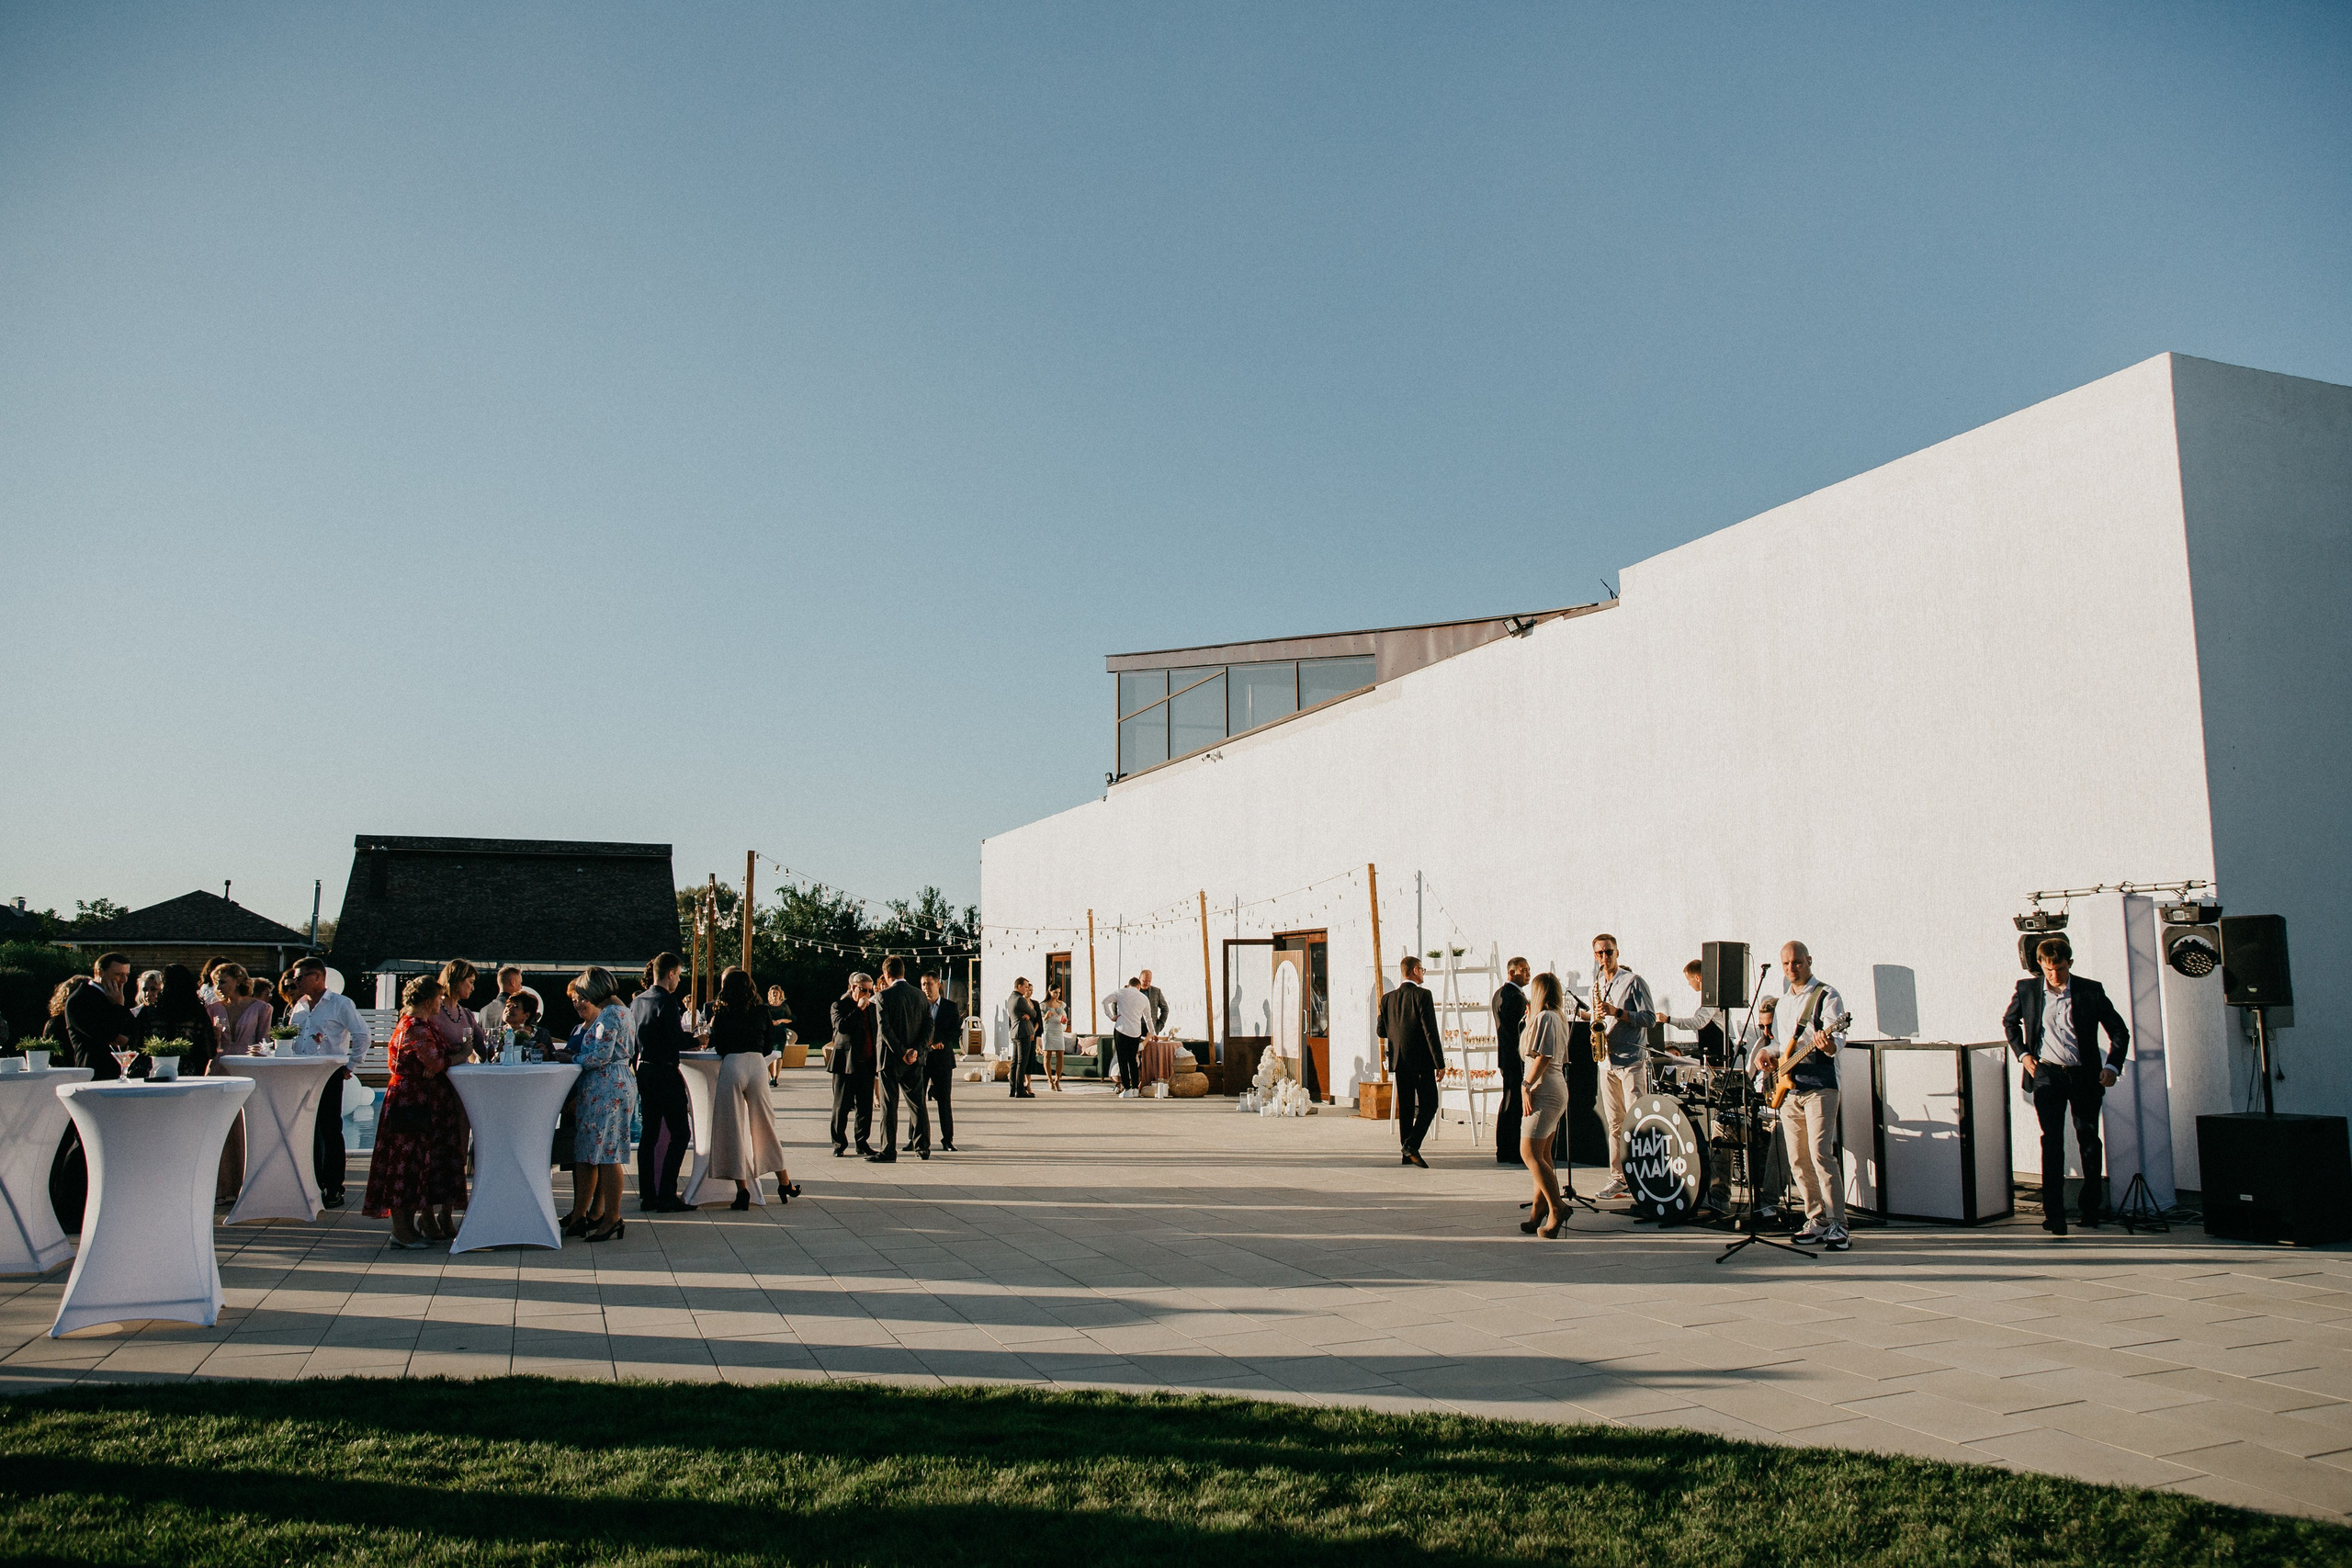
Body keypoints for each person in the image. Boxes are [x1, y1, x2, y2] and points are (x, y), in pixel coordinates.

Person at [2002, 935, 2130, 1236]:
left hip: (2084, 1075)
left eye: (2059, 969)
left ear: (2069, 964)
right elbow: (2010, 1023)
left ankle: (2090, 1209)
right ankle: (2054, 1215)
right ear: (2040, 967)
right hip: (2047, 1074)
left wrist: (2112, 1066)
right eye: (2048, 970)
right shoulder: (2027, 989)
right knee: (2052, 1142)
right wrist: (2023, 1055)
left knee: (2088, 1140)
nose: (2054, 976)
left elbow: (2119, 1030)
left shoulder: (2090, 990)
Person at [1751, 941, 1850, 1251]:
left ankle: (1839, 1223)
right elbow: (1781, 1046)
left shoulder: (1826, 995)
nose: (1792, 968)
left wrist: (1827, 1043)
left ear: (1808, 961)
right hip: (1791, 1088)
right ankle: (1816, 1217)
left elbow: (1838, 1041)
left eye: (1797, 962)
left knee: (1821, 1153)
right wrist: (1766, 1054)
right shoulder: (1782, 1003)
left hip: (1820, 1085)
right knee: (1797, 1157)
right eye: (1786, 964)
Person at [363, 976, 464, 1248]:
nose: (441, 1003)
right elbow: (435, 1061)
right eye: (440, 998)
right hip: (412, 1104)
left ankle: (411, 1226)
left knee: (417, 1164)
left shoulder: (421, 1025)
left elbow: (435, 1061)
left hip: (421, 1103)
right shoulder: (415, 1027)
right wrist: (458, 1056)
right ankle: (401, 1230)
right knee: (405, 1165)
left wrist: (441, 1062)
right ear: (430, 1000)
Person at [287, 955, 372, 1208]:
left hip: (328, 1072)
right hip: (301, 1073)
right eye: (295, 977)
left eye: (301, 977)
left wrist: (350, 1065)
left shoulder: (339, 1003)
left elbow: (362, 1034)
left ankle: (334, 1187)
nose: (296, 981)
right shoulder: (299, 1006)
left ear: (318, 977)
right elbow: (293, 1037)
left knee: (329, 1129)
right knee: (307, 1129)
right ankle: (312, 1182)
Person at [1577, 935, 1657, 1201]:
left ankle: (1644, 1177)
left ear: (1617, 952)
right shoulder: (1596, 985)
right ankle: (1619, 1177)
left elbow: (1650, 1019)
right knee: (1615, 1123)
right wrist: (1593, 1027)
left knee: (1637, 1121)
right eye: (1599, 953)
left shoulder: (1633, 982)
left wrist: (1617, 1012)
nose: (1604, 958)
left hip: (1631, 1060)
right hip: (1607, 1061)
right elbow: (1597, 1020)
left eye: (1608, 952)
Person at [707, 966, 795, 1209]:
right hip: (757, 1064)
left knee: (731, 1128)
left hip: (732, 1062)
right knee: (765, 1125)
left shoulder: (722, 1011)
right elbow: (768, 1046)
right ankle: (784, 1181)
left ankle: (742, 1189)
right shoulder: (762, 1011)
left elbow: (719, 1047)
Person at [565, 966, 639, 1242]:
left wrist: (571, 1060)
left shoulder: (609, 1014)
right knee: (591, 1151)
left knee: (607, 1153)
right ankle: (583, 1215)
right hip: (612, 1084)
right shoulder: (624, 1011)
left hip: (606, 1086)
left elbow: (600, 1056)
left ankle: (612, 1216)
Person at [630, 953, 695, 1213]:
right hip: (665, 1072)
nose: (679, 979)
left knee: (649, 1133)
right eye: (678, 974)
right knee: (681, 1133)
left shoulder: (638, 1001)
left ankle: (648, 1194)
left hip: (643, 1070)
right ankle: (667, 1193)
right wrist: (697, 1040)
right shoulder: (667, 1001)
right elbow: (676, 1039)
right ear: (670, 974)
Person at [1518, 972, 1574, 1235]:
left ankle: (1556, 1207)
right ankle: (1539, 1209)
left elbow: (1542, 1057)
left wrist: (1526, 1085)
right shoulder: (1553, 1018)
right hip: (1553, 1087)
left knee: (1529, 1152)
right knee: (1543, 1153)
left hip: (1544, 1088)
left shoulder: (1546, 1017)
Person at [1378, 956, 1444, 1167]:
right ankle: (1412, 1144)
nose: (1423, 973)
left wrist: (1398, 1034)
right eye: (1422, 969)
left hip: (1399, 1060)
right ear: (1415, 970)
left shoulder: (1387, 998)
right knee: (1430, 1103)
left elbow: (1381, 1030)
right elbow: (1430, 1031)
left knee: (1406, 1109)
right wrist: (1439, 1062)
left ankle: (1407, 1155)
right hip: (1421, 1061)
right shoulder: (1423, 995)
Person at [869, 957, 932, 1162]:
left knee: (889, 1105)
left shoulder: (882, 997)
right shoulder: (920, 996)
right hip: (915, 1059)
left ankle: (888, 1150)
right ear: (903, 972)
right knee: (918, 1104)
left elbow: (885, 1029)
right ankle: (922, 1148)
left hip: (890, 1059)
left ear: (886, 974)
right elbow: (929, 1027)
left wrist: (902, 1051)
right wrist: (916, 1050)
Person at [829, 973, 878, 1156]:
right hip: (846, 1063)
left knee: (865, 1106)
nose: (866, 993)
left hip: (867, 1062)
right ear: (852, 987)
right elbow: (842, 1027)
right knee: (842, 1105)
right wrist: (858, 1009)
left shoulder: (873, 1007)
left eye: (869, 990)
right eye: (862, 989)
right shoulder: (839, 1005)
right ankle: (838, 1143)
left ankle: (862, 1141)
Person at [1492, 956, 1530, 1166]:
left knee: (1508, 1100)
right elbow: (1520, 1030)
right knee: (1514, 1103)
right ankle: (1511, 1149)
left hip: (1506, 1056)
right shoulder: (1514, 996)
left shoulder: (1499, 993)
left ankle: (1504, 1148)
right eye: (1524, 970)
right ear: (1512, 972)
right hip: (1516, 1057)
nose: (1528, 974)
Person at [920, 975, 963, 1149]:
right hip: (922, 1058)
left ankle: (947, 1139)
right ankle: (915, 1138)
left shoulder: (950, 1007)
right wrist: (927, 1043)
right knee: (917, 1100)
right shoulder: (918, 1006)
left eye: (929, 984)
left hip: (942, 1059)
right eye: (923, 984)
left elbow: (954, 1031)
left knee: (944, 1101)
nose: (926, 988)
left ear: (938, 984)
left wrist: (940, 1041)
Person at [1661, 959, 1728, 1064]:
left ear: (1697, 978)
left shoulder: (1712, 1000)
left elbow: (1699, 1022)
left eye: (1689, 979)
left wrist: (1669, 1019)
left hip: (1718, 1055)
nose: (1689, 983)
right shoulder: (1710, 999)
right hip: (1711, 1053)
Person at [1107, 976, 1153, 1100]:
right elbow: (1149, 1018)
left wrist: (1111, 1016)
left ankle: (1127, 1089)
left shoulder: (1121, 992)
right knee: (1133, 1060)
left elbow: (1104, 1002)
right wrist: (1152, 1032)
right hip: (1135, 1032)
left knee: (1122, 1060)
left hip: (1121, 1030)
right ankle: (1135, 1089)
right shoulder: (1144, 998)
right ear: (1138, 986)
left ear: (1129, 984)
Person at [1007, 978, 1042, 1100]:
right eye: (1026, 987)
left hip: (1015, 1032)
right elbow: (1033, 1013)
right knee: (1022, 1062)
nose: (1027, 989)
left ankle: (1013, 1088)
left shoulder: (1011, 998)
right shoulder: (1021, 999)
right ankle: (1020, 1090)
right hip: (1023, 1032)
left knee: (1014, 1062)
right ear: (1019, 986)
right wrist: (1029, 1013)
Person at [476, 964, 526, 1040]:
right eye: (520, 983)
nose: (521, 987)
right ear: (513, 982)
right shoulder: (515, 1009)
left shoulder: (484, 1010)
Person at [765, 984, 795, 1085]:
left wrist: (780, 1021)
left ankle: (776, 1077)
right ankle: (771, 1076)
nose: (775, 994)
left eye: (776, 993)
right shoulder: (766, 1007)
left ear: (780, 994)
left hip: (780, 1033)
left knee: (779, 1055)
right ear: (770, 994)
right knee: (770, 1054)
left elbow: (791, 1019)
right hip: (769, 1033)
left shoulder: (784, 1006)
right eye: (773, 993)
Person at [1042, 987, 1069, 1091]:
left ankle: (1057, 1080)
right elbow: (1040, 1020)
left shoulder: (1062, 1004)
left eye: (1058, 993)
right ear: (1049, 992)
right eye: (1055, 992)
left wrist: (1064, 1021)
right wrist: (1046, 1017)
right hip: (1048, 1031)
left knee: (1060, 1055)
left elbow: (1064, 1017)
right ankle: (1049, 1080)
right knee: (1047, 1056)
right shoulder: (1044, 1005)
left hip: (1058, 1031)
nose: (1057, 995)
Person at [1138, 969, 1170, 1033]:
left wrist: (1160, 1025)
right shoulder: (1131, 990)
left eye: (1149, 981)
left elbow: (1165, 1009)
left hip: (1150, 1029)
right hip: (1133, 1028)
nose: (1147, 983)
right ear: (1139, 979)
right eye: (1144, 981)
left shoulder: (1156, 992)